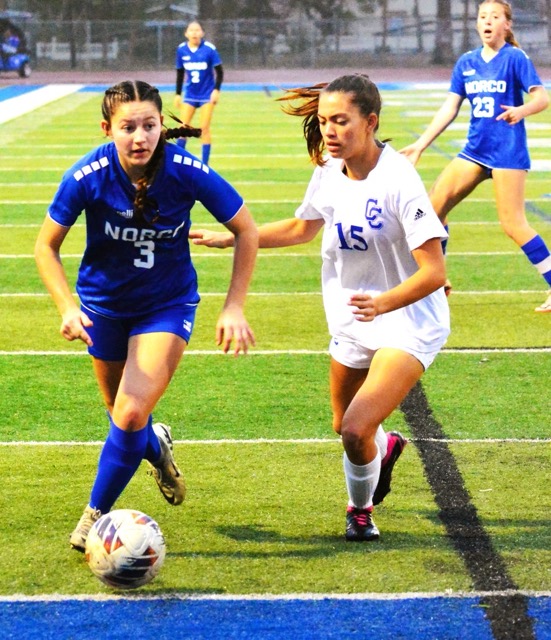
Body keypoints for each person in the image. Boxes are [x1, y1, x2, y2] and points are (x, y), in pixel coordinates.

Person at [190, 74, 450, 542]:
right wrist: (234, 237)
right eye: (324, 121)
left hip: (407, 320)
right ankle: (386, 446)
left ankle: (360, 510)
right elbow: (300, 228)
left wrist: (384, 302)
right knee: (344, 426)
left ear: (371, 123)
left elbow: (434, 272)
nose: (329, 131)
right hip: (354, 318)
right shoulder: (329, 172)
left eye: (341, 121)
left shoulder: (398, 179)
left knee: (354, 428)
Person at [34, 80, 258, 552]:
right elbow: (45, 247)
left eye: (150, 125)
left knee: (131, 411)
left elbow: (245, 228)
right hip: (103, 308)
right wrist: (67, 306)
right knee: (123, 415)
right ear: (107, 129)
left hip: (166, 304)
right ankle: (156, 448)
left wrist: (233, 304)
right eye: (128, 127)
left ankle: (94, 517)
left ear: (163, 124)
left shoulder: (186, 171)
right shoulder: (87, 174)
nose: (140, 137)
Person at [400, 0, 551, 312]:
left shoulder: (514, 58)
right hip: (475, 151)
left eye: (495, 17)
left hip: (507, 152)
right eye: (483, 16)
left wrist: (521, 110)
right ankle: (437, 279)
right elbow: (450, 107)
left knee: (513, 224)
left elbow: (541, 97)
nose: (488, 21)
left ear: (506, 25)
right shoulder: (467, 62)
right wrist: (422, 144)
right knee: (431, 210)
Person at [174, 20, 223, 166]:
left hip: (207, 94)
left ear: (202, 33)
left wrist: (216, 90)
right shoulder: (181, 49)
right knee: (183, 128)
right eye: (191, 30)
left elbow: (219, 72)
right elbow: (180, 73)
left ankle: (205, 165)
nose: (194, 33)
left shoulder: (209, 49)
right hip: (190, 94)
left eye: (197, 30)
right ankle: (177, 163)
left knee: (204, 128)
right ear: (186, 33)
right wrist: (177, 94)